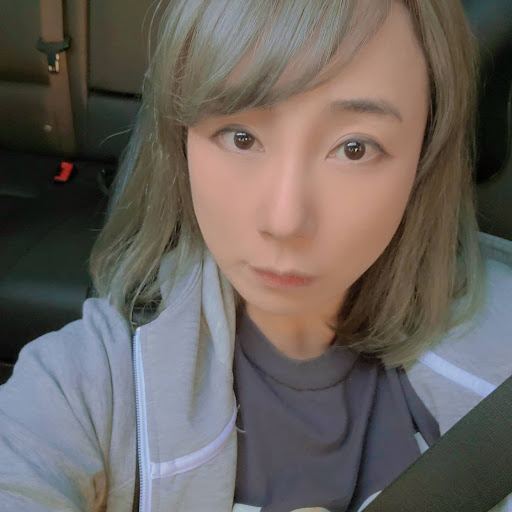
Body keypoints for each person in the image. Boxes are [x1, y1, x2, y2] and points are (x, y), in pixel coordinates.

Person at [0, 0, 511, 511]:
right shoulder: (85, 388)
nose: (285, 220)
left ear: (424, 158)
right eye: (241, 137)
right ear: (182, 145)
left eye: (355, 148)